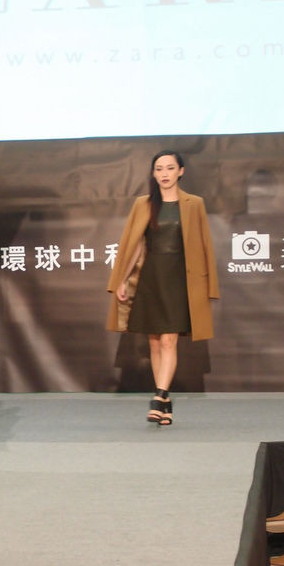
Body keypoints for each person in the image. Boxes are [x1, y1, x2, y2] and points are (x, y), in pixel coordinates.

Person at [106, 151, 219, 425]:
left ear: (181, 171)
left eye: (170, 168)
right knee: (155, 342)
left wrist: (208, 285)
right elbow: (136, 245)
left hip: (179, 279)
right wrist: (122, 280)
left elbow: (204, 244)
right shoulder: (143, 204)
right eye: (159, 169)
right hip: (150, 278)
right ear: (153, 173)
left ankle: (159, 397)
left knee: (169, 340)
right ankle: (164, 404)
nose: (164, 173)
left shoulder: (194, 204)